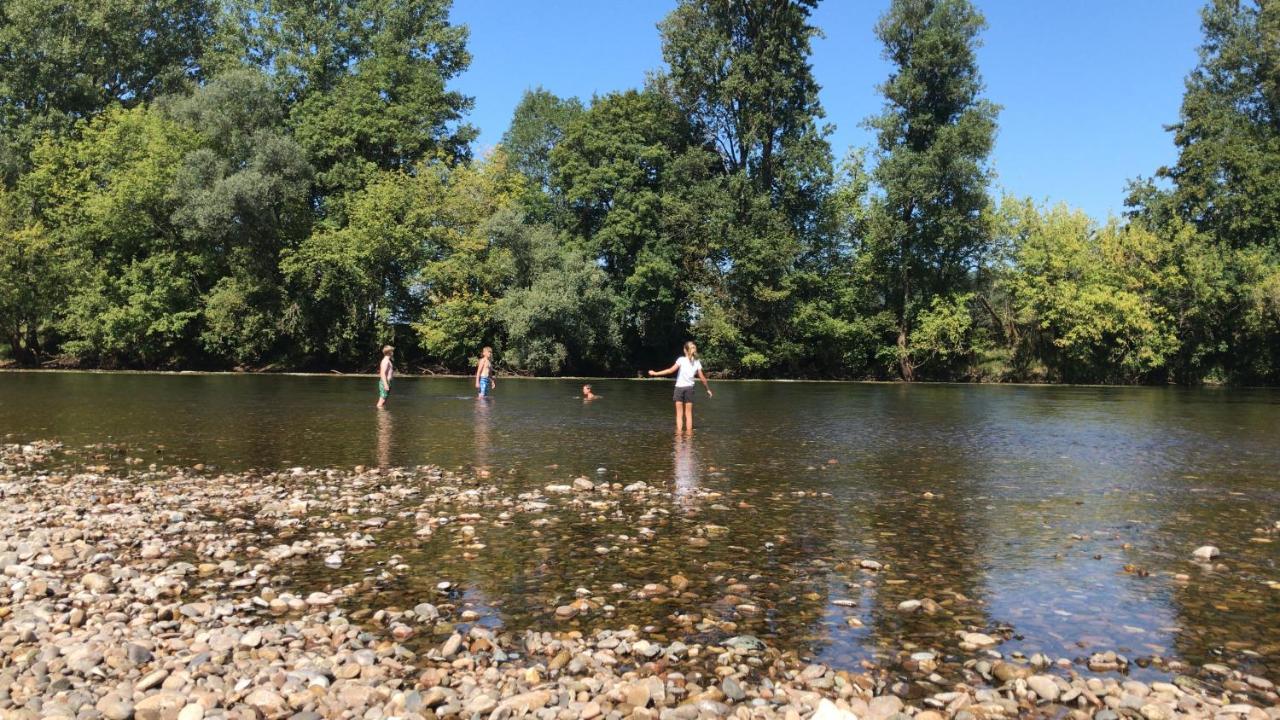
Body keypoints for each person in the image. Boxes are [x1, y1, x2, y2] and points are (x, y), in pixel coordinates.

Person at [648, 341, 712, 432]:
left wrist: (655, 373)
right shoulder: (697, 362)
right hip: (689, 389)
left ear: (685, 350)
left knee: (679, 414)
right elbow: (702, 378)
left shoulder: (681, 360)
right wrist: (708, 389)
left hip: (679, 389)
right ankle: (689, 437)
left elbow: (670, 371)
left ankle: (679, 436)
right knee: (688, 414)